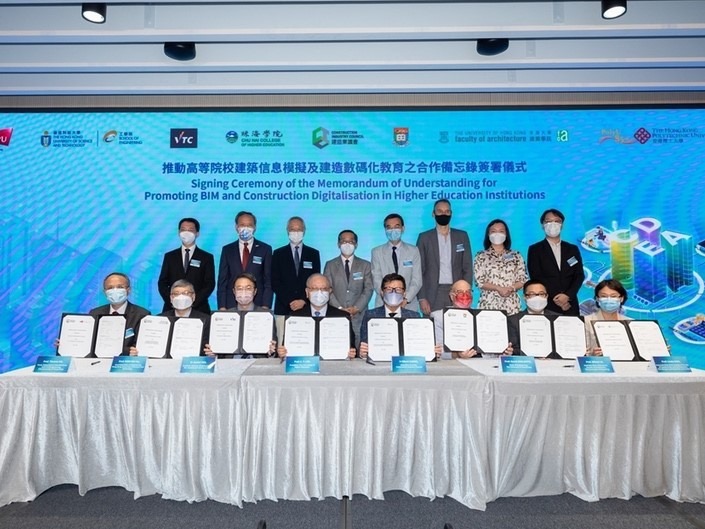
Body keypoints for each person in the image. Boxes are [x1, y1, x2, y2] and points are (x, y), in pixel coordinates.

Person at [359, 273, 440, 359]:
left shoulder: (414, 316)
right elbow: (364, 343)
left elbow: (420, 344)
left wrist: (432, 352)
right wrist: (363, 352)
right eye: (389, 289)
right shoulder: (370, 316)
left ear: (404, 293)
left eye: (398, 289)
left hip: (407, 363)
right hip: (380, 363)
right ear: (382, 292)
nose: (393, 293)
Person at [277, 273, 356, 359]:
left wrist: (351, 352)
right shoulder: (294, 317)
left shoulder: (342, 317)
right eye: (314, 288)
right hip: (304, 364)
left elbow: (351, 346)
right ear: (307, 292)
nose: (319, 292)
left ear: (330, 291)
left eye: (324, 289)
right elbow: (286, 346)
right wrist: (282, 352)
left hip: (334, 363)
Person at [416, 199, 472, 315]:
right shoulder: (424, 238)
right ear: (433, 214)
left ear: (451, 213)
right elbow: (419, 270)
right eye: (440, 211)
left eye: (447, 211)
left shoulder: (462, 236)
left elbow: (467, 267)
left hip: (457, 292)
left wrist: (465, 293)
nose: (443, 214)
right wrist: (422, 298)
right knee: (432, 325)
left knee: (458, 324)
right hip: (432, 293)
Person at [431, 279, 512, 359]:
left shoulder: (483, 316)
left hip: (482, 362)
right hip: (456, 364)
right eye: (460, 292)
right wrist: (457, 355)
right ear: (452, 296)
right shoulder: (439, 317)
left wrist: (502, 351)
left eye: (468, 292)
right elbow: (439, 351)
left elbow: (491, 349)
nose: (465, 295)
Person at [271, 216, 321, 343]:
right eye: (293, 229)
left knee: (305, 342)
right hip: (283, 307)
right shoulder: (278, 254)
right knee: (282, 344)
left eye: (299, 229)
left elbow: (315, 281)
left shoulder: (313, 254)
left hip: (306, 307)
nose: (296, 232)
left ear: (304, 231)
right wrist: (290, 301)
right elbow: (275, 282)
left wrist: (303, 300)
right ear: (287, 231)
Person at [204, 272, 277, 358]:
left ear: (255, 291)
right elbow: (218, 350)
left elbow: (273, 350)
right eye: (239, 288)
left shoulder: (266, 316)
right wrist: (214, 353)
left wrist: (272, 352)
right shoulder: (223, 317)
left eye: (248, 288)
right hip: (229, 363)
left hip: (257, 363)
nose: (243, 292)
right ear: (234, 291)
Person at [527, 208, 584, 316]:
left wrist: (567, 296)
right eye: (548, 221)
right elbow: (536, 276)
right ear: (542, 225)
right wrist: (558, 299)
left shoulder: (572, 249)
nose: (553, 224)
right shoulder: (535, 249)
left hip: (570, 304)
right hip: (547, 303)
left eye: (557, 221)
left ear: (562, 225)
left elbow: (579, 275)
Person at [131, 279, 209, 357]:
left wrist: (210, 351)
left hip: (193, 362)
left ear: (193, 297)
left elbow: (206, 346)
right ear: (171, 298)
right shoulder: (158, 319)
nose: (181, 297)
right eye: (176, 294)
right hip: (163, 362)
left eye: (186, 293)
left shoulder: (207, 320)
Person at [323, 229, 374, 347]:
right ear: (338, 244)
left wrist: (356, 308)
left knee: (359, 347)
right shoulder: (330, 265)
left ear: (356, 244)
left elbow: (368, 289)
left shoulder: (365, 265)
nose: (347, 244)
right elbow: (327, 289)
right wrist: (339, 308)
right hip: (335, 314)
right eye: (343, 241)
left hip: (358, 316)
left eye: (351, 242)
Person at [157, 217, 215, 314]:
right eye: (183, 230)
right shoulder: (170, 256)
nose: (186, 233)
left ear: (197, 233)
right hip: (171, 308)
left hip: (199, 308)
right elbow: (162, 282)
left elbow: (209, 284)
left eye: (190, 230)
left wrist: (192, 302)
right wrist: (173, 301)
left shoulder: (206, 257)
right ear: (178, 232)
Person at [84, 272, 150, 356]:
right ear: (105, 292)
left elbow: (141, 346)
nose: (115, 290)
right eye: (110, 288)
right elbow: (90, 343)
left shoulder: (142, 314)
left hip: (126, 362)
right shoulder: (94, 313)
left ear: (128, 290)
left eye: (120, 287)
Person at [217, 211, 273, 310]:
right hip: (231, 304)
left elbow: (268, 280)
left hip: (258, 304)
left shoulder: (265, 249)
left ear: (255, 227)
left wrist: (266, 305)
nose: (246, 228)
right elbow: (222, 280)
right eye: (242, 225)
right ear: (236, 227)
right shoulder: (227, 250)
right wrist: (222, 306)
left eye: (249, 225)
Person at [370, 213, 423, 314]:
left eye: (396, 227)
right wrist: (389, 299)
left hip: (408, 305)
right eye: (389, 227)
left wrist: (405, 299)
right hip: (383, 304)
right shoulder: (376, 252)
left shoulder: (413, 251)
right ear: (385, 230)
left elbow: (417, 280)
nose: (393, 230)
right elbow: (376, 279)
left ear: (403, 228)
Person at [473, 219, 527, 316]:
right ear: (488, 234)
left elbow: (523, 279)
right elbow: (479, 281)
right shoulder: (480, 256)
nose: (497, 234)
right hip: (488, 303)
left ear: (506, 234)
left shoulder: (516, 255)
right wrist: (498, 288)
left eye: (501, 231)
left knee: (513, 325)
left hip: (512, 304)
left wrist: (511, 288)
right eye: (493, 231)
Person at [507, 279, 561, 357]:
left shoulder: (559, 319)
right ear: (524, 297)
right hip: (526, 362)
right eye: (532, 294)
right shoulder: (513, 321)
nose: (537, 298)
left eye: (541, 294)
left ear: (546, 296)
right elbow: (514, 349)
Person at [584, 279, 631, 356]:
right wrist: (593, 354)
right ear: (597, 299)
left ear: (621, 298)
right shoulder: (586, 322)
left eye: (613, 296)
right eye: (604, 296)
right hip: (598, 362)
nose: (609, 299)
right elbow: (582, 353)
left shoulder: (630, 323)